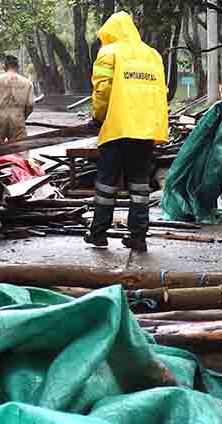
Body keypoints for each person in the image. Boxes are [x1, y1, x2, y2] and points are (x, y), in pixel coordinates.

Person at [86, 11, 169, 252]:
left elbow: (102, 91)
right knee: (140, 185)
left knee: (106, 185)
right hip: (145, 130)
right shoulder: (152, 55)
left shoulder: (109, 53)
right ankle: (138, 237)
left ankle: (99, 234)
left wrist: (98, 117)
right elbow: (161, 92)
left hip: (117, 128)